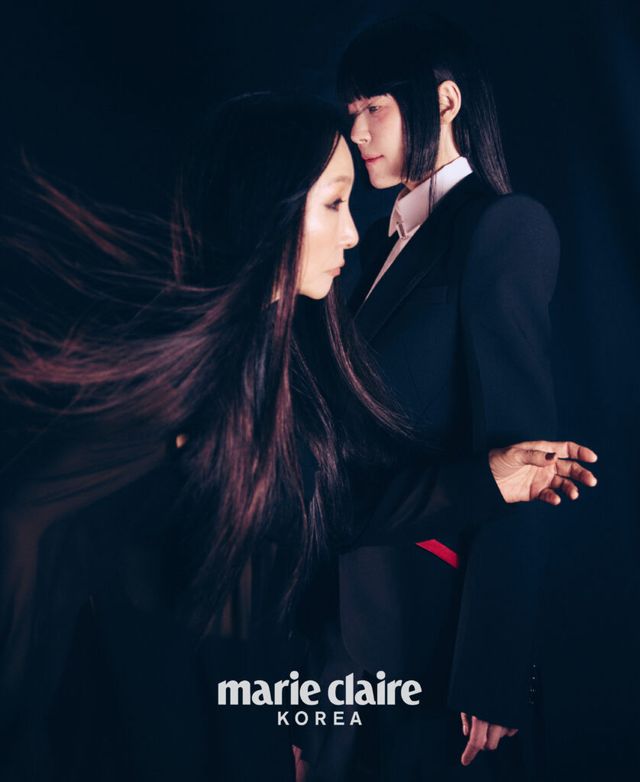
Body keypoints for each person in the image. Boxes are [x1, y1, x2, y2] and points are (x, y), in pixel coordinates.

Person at [0, 93, 594, 782]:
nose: (353, 235)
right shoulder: (180, 385)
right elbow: (30, 529)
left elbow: (329, 510)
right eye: (334, 204)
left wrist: (490, 480)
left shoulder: (286, 364)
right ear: (269, 211)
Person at [317, 13, 567, 781]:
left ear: (446, 101)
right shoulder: (367, 249)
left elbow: (529, 463)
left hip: (437, 648)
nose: (357, 131)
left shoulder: (500, 228)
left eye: (375, 107)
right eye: (351, 110)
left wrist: (492, 671)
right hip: (343, 639)